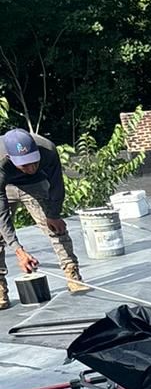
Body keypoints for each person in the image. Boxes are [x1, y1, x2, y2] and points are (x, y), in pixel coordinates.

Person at [0, 128, 89, 308]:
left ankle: (73, 275)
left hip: (37, 185)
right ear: (10, 158)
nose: (31, 168)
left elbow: (57, 184)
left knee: (56, 229)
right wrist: (18, 250)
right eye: (24, 165)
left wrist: (53, 214)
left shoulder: (47, 149)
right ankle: (0, 287)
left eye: (34, 162)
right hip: (5, 186)